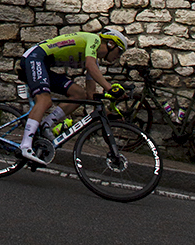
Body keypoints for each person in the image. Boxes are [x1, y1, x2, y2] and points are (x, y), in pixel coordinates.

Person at [17, 28, 130, 163]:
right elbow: (90, 65)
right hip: (35, 57)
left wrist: (105, 113)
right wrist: (109, 88)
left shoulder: (94, 60)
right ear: (111, 44)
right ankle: (25, 146)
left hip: (43, 63)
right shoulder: (94, 40)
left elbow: (90, 94)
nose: (119, 56)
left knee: (79, 94)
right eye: (120, 51)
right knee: (44, 100)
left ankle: (46, 125)